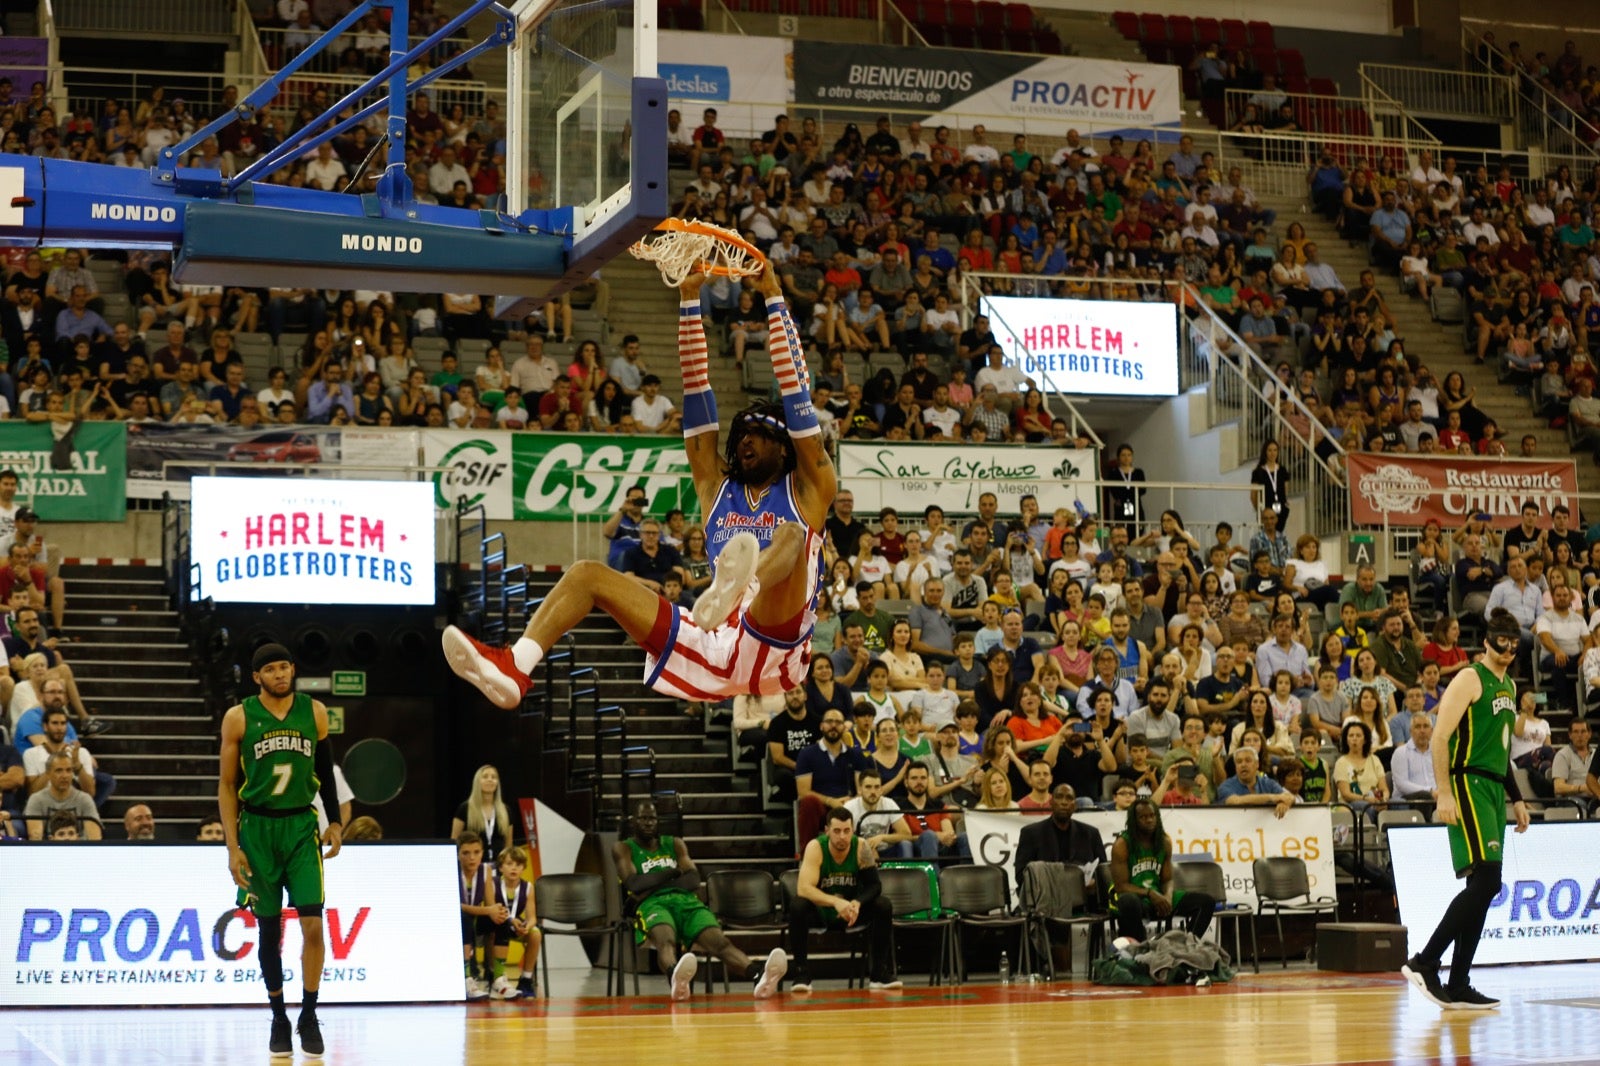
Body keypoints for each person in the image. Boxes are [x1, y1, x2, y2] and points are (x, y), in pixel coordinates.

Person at [443, 265, 835, 705]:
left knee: (790, 535)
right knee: (586, 574)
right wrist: (689, 299)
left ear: (784, 449)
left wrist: (774, 298)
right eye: (740, 435)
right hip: (712, 639)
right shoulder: (716, 489)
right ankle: (515, 666)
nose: (744, 441)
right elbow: (696, 389)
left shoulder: (808, 489)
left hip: (775, 645)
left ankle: (740, 586)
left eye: (758, 435)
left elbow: (797, 396)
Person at [218, 644, 343, 1057]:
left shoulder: (316, 712)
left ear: (293, 668)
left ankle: (308, 1013)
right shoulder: (238, 717)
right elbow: (226, 785)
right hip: (256, 830)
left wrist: (336, 821)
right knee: (269, 932)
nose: (279, 674)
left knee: (312, 926)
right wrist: (232, 846)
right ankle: (278, 1015)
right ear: (256, 677)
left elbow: (324, 770)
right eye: (270, 669)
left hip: (300, 826)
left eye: (285, 666)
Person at [1402, 615, 1529, 1011]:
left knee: (1481, 886)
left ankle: (1458, 983)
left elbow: (1501, 750)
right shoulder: (1470, 678)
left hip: (1492, 786)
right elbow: (1440, 736)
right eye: (1501, 642)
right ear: (1488, 642)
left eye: (1513, 643)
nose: (1508, 650)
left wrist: (1517, 796)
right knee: (1488, 882)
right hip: (1467, 783)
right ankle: (1425, 962)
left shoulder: (1508, 684)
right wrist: (1443, 792)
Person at [615, 800, 786, 999]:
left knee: (720, 943)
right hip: (652, 904)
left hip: (687, 902)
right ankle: (675, 980)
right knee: (666, 941)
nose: (648, 823)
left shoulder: (675, 843)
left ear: (658, 821)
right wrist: (673, 872)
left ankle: (758, 975)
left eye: (652, 818)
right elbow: (634, 884)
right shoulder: (623, 848)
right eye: (643, 818)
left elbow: (693, 879)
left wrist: (652, 883)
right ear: (633, 821)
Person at [788, 806, 899, 992]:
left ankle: (879, 974)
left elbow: (875, 885)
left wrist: (857, 902)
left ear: (852, 830)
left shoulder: (861, 846)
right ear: (827, 831)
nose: (842, 836)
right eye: (837, 831)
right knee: (797, 906)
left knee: (883, 905)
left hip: (852, 913)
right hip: (822, 911)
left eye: (847, 831)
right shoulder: (816, 847)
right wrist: (835, 902)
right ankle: (801, 974)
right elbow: (803, 888)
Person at [1109, 798, 1217, 942]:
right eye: (1143, 817)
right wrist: (1150, 893)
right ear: (1134, 821)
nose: (1149, 820)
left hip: (1158, 895)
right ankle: (1140, 951)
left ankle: (1186, 946)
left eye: (1152, 816)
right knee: (1128, 902)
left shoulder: (1164, 842)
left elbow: (1167, 879)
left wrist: (1167, 896)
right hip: (1137, 897)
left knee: (1206, 901)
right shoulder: (1122, 844)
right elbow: (1121, 887)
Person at [23, 751, 101, 839]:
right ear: (48, 774)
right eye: (59, 770)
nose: (65, 776)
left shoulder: (84, 799)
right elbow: (35, 838)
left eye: (68, 770)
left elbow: (95, 838)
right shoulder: (36, 800)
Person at [449, 764, 512, 861]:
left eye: (494, 777)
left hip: (499, 867)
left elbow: (508, 845)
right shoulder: (465, 808)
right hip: (472, 866)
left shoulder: (505, 810)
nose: (490, 780)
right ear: (477, 781)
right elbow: (454, 841)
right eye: (485, 776)